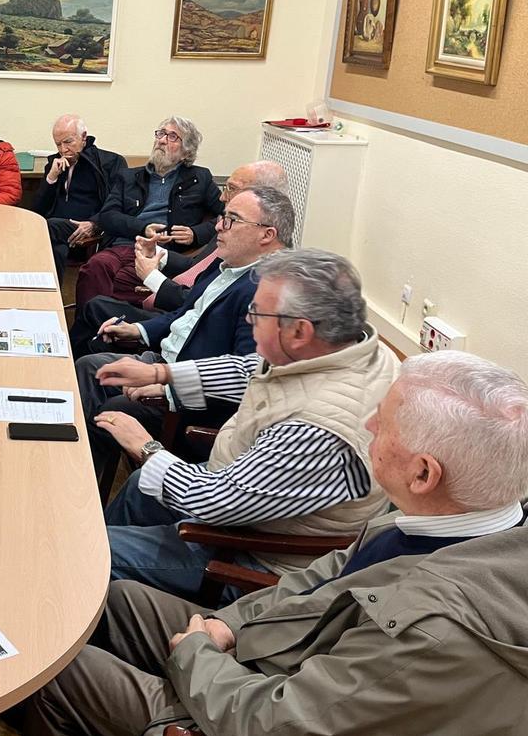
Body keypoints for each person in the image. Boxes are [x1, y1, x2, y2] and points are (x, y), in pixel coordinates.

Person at [24, 350, 528, 736]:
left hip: (255, 707)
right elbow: (322, 576)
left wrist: (197, 654)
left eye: (386, 423)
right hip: (274, 651)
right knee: (114, 600)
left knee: (50, 668)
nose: (370, 425)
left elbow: (278, 722)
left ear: (423, 473)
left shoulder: (434, 633)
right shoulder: (442, 519)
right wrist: (229, 622)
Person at [95, 248, 397, 595]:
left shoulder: (319, 427)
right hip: (249, 494)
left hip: (251, 554)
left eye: (257, 312)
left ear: (299, 331)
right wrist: (161, 373)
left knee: (95, 550)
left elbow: (214, 502)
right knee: (139, 487)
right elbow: (252, 368)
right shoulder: (348, 347)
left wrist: (147, 448)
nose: (249, 319)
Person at [76, 186, 294, 486]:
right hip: (166, 363)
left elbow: (247, 376)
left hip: (191, 405)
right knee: (90, 366)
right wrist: (138, 330)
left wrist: (169, 388)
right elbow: (183, 315)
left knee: (112, 410)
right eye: (222, 217)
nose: (218, 226)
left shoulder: (267, 291)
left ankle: (84, 487)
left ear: (266, 234)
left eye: (231, 219)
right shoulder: (228, 265)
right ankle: (76, 467)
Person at [70, 160, 288, 346]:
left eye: (231, 188)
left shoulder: (255, 260)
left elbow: (198, 303)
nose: (223, 197)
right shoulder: (233, 228)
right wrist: (158, 254)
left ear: (263, 197)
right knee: (97, 283)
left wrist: (152, 277)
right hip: (165, 293)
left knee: (97, 310)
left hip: (177, 323)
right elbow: (197, 268)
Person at [75, 116, 223, 309]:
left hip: (161, 254)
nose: (161, 140)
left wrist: (196, 233)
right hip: (122, 247)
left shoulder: (200, 178)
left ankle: (102, 323)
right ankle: (93, 326)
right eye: (160, 134)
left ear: (186, 152)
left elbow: (228, 218)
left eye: (172, 137)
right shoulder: (129, 176)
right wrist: (143, 228)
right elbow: (107, 216)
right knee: (94, 268)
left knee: (120, 281)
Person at [33, 113, 129, 278]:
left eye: (68, 142)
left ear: (83, 137)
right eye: (58, 144)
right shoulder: (55, 164)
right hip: (57, 232)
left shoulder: (111, 162)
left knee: (45, 228)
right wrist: (51, 177)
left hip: (85, 232)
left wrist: (94, 223)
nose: (63, 150)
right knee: (56, 247)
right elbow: (37, 210)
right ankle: (52, 294)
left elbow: (118, 205)